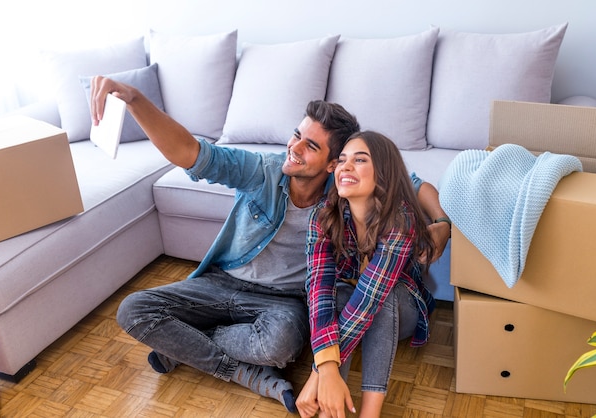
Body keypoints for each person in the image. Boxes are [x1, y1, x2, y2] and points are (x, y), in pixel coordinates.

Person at [89, 77, 451, 413]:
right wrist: (134, 98)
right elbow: (190, 152)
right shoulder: (263, 169)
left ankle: (185, 345)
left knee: (278, 344)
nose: (294, 148)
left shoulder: (340, 194)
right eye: (296, 136)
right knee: (133, 309)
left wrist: (440, 223)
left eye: (310, 147)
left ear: (331, 164)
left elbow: (412, 184)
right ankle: (249, 375)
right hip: (223, 282)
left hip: (284, 302)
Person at [296, 131, 437, 418]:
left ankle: (369, 414)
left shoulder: (401, 219)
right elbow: (318, 288)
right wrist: (326, 370)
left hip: (400, 309)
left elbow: (370, 298)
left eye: (359, 160)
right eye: (342, 160)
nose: (345, 167)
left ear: (383, 173)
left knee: (378, 298)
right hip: (352, 303)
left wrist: (317, 374)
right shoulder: (323, 215)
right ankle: (330, 411)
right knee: (336, 297)